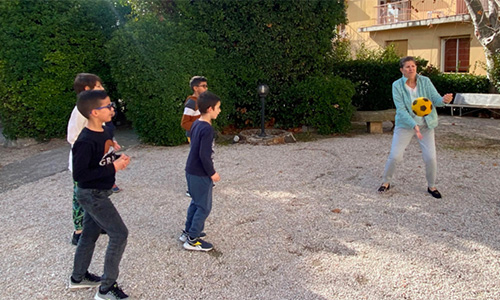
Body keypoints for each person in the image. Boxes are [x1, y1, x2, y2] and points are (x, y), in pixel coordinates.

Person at [68, 90, 131, 300]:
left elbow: (101, 159)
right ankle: (106, 289)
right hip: (92, 194)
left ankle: (78, 277)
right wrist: (114, 166)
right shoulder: (84, 141)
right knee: (119, 234)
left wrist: (115, 154)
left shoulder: (104, 131)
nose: (112, 109)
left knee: (89, 234)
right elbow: (81, 174)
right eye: (108, 106)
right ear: (94, 112)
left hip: (100, 191)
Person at [378, 56, 453, 198]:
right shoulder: (397, 85)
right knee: (395, 156)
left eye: (413, 66)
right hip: (405, 125)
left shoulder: (425, 81)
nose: (411, 69)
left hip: (426, 125)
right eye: (407, 67)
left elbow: (435, 99)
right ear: (402, 70)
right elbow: (400, 109)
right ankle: (386, 182)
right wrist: (414, 125)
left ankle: (432, 186)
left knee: (430, 157)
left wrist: (444, 100)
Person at [67, 73, 122, 246]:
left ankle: (97, 223)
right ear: (87, 89)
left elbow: (99, 131)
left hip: (99, 162)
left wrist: (109, 142)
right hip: (84, 163)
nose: (102, 89)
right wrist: (90, 150)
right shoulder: (80, 112)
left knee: (97, 194)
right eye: (98, 87)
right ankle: (78, 231)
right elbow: (73, 136)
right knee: (80, 196)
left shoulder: (98, 108)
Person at [179, 91, 221, 251]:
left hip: (191, 170)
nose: (219, 111)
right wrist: (212, 173)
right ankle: (192, 239)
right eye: (218, 108)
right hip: (200, 173)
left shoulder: (197, 123)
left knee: (196, 202)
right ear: (210, 109)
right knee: (204, 206)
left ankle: (188, 231)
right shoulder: (207, 129)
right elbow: (204, 155)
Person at [180, 76, 208, 197]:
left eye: (206, 86)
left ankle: (206, 182)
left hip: (203, 135)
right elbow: (184, 123)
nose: (206, 88)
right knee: (196, 161)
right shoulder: (191, 103)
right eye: (203, 86)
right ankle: (191, 189)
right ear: (195, 88)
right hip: (195, 136)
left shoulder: (202, 100)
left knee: (206, 157)